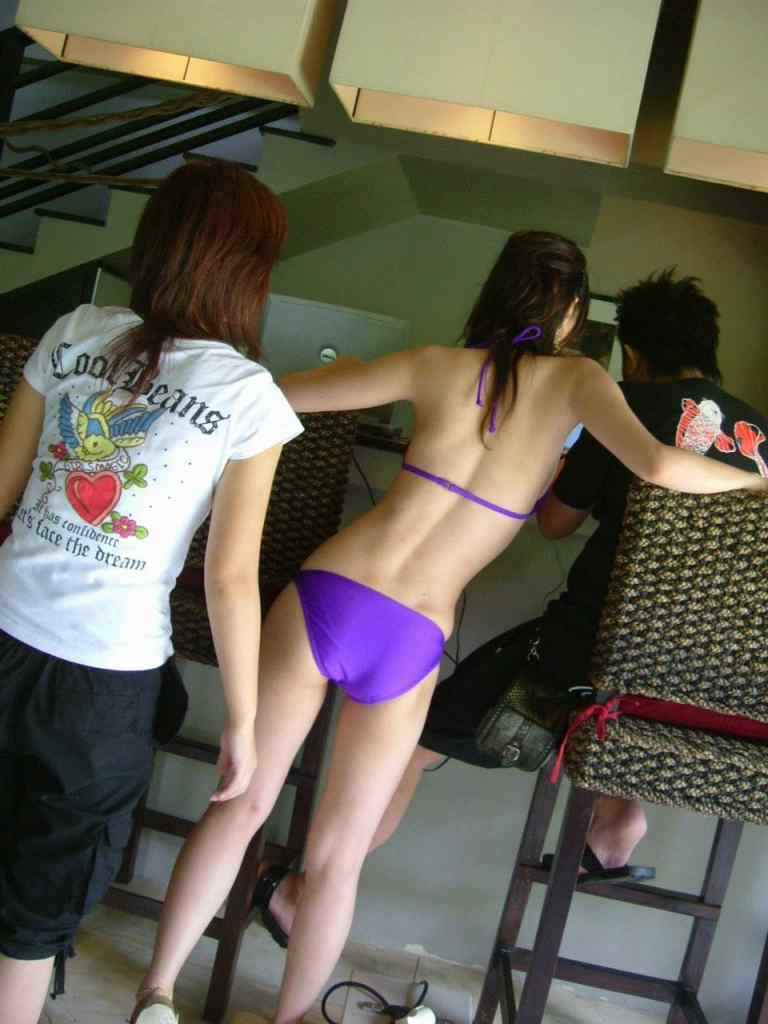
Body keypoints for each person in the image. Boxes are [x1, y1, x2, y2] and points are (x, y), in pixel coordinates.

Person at [132, 237, 766, 1024]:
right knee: (334, 860)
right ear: (572, 313)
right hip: (410, 633)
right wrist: (758, 479)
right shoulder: (579, 382)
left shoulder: (433, 364)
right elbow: (663, 468)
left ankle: (155, 996)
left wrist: (313, 372)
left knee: (241, 803)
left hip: (330, 591)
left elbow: (276, 395)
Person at [252, 267, 768, 945]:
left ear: (636, 355)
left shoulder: (632, 403)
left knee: (415, 739)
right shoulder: (761, 435)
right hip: (720, 690)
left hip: (588, 660)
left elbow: (555, 522)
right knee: (624, 680)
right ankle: (618, 816)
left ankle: (301, 897)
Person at [0, 161, 303, 1024]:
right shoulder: (246, 395)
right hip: (102, 687)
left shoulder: (76, 330)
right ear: (249, 271)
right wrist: (242, 721)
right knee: (37, 907)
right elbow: (229, 578)